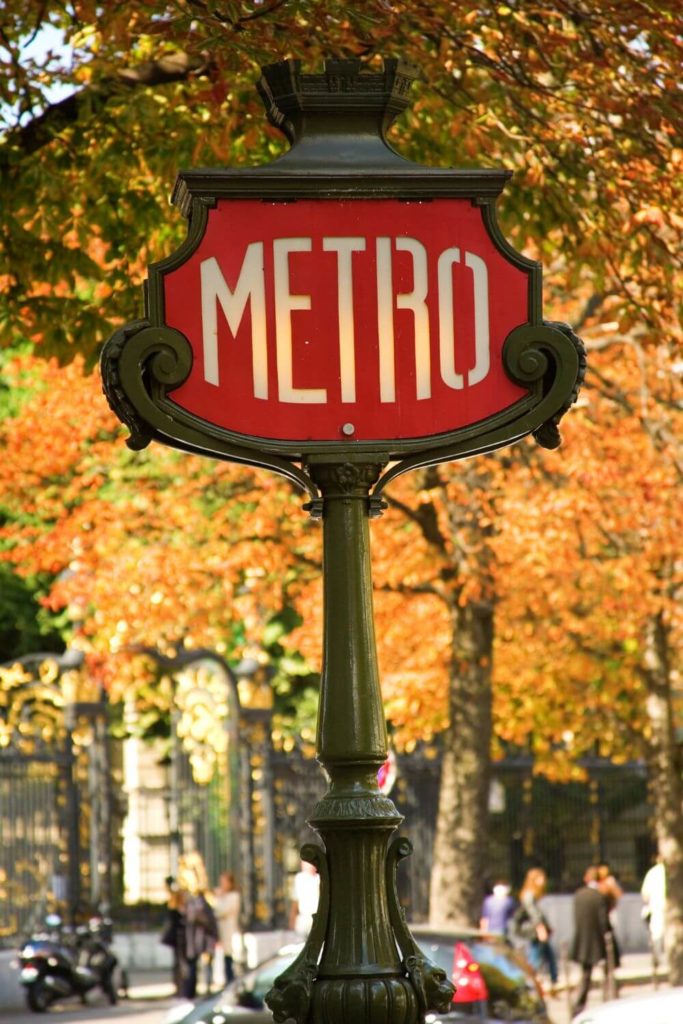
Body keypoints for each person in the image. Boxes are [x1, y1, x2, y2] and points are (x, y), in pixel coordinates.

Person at [570, 865, 609, 1018]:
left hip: (583, 940)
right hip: (597, 941)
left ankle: (579, 1005)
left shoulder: (578, 895)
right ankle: (607, 999)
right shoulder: (599, 896)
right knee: (606, 973)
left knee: (586, 976)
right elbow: (603, 920)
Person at [513, 867, 558, 995]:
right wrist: (541, 928)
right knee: (536, 957)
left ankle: (552, 981)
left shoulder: (533, 894)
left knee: (548, 956)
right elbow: (534, 913)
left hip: (537, 930)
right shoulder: (529, 895)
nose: (543, 881)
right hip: (534, 931)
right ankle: (533, 983)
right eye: (541, 878)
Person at [214, 871, 241, 984]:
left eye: (224, 882)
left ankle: (231, 980)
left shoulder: (233, 896)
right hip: (221, 932)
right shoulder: (222, 896)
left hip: (229, 931)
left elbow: (221, 911)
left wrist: (219, 898)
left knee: (230, 958)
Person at [161, 876, 186, 996]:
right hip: (177, 937)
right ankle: (179, 987)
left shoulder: (177, 900)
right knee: (178, 963)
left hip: (180, 936)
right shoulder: (174, 900)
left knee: (180, 963)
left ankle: (181, 987)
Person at [641, 854, 666, 968]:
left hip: (657, 907)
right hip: (663, 907)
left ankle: (657, 956)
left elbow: (645, 894)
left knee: (657, 933)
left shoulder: (652, 873)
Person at [289, 859, 320, 937]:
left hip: (316, 918)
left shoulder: (319, 878)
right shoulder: (299, 878)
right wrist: (292, 920)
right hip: (303, 918)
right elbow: (295, 901)